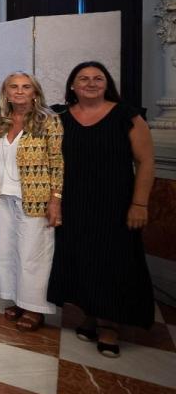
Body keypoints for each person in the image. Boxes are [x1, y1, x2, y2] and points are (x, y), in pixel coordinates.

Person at [49, 62, 155, 357]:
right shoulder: (60, 116)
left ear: (107, 84)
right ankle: (89, 315)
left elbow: (146, 162)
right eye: (84, 78)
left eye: (98, 78)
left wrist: (139, 203)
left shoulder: (127, 116)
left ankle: (110, 325)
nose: (91, 83)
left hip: (116, 204)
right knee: (82, 258)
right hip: (74, 202)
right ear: (72, 85)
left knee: (113, 261)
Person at [0, 72, 63, 332]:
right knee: (7, 250)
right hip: (2, 195)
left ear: (35, 92)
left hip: (36, 198)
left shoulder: (48, 120)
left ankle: (35, 308)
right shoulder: (1, 122)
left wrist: (56, 199)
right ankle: (19, 300)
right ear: (6, 92)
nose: (19, 91)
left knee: (33, 254)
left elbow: (58, 163)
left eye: (25, 87)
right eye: (13, 87)